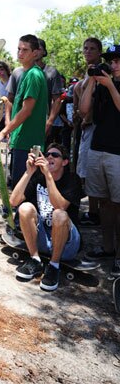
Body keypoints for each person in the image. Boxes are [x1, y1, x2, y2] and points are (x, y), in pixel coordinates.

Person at [9, 143, 81, 291]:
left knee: (59, 215)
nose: (49, 157)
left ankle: (54, 266)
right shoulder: (37, 177)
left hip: (66, 246)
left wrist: (48, 176)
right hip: (41, 241)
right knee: (24, 208)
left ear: (65, 162)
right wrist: (29, 172)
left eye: (55, 155)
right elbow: (13, 201)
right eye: (47, 154)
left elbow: (60, 206)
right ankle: (35, 259)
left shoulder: (72, 179)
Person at [80, 44, 120, 277]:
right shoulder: (102, 85)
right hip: (97, 148)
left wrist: (111, 86)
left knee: (119, 205)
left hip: (117, 153)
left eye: (117, 61)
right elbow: (84, 110)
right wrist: (92, 81)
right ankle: (107, 248)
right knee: (103, 202)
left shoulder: (112, 86)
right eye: (111, 61)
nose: (113, 65)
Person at [0, 35, 48, 187]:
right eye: (18, 49)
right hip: (21, 141)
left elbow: (26, 110)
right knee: (16, 189)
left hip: (28, 144)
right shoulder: (25, 73)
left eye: (25, 50)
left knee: (22, 193)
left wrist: (3, 132)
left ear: (36, 53)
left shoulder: (34, 75)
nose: (20, 53)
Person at [73, 37, 103, 226]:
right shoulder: (87, 73)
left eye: (92, 48)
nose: (88, 51)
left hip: (95, 127)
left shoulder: (101, 72)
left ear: (100, 52)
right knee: (84, 169)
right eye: (85, 48)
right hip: (85, 126)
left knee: (90, 171)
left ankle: (94, 213)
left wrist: (88, 118)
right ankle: (92, 211)